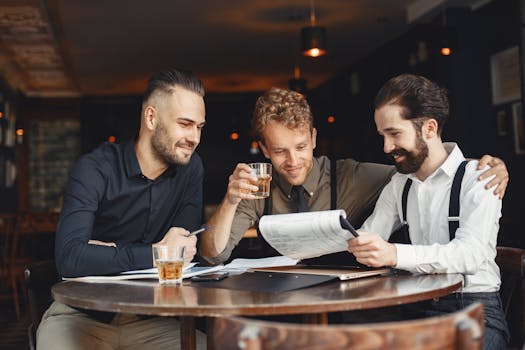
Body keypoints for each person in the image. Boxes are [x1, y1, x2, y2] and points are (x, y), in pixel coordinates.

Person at [200, 87, 509, 266]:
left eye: (301, 147)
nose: (292, 161)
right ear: (264, 149)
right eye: (280, 151)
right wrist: (229, 201)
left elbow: (420, 167)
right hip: (276, 309)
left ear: (315, 138)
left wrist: (471, 169)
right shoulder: (254, 186)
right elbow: (214, 255)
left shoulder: (352, 176)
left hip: (343, 309)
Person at [37, 68, 207, 349]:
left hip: (150, 319)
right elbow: (70, 258)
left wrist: (107, 252)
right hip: (79, 315)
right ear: (151, 117)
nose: (195, 137)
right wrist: (157, 253)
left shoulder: (191, 170)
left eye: (199, 127)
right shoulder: (95, 168)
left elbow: (184, 254)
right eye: (185, 124)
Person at [347, 74, 509, 349]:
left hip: (474, 310)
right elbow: (370, 234)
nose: (386, 147)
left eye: (395, 134)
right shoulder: (400, 184)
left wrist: (394, 254)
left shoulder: (480, 177)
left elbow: (469, 254)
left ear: (430, 128)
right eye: (383, 136)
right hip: (416, 309)